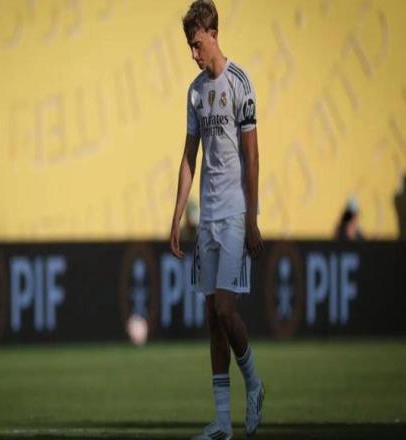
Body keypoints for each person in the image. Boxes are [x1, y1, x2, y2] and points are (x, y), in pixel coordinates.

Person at [169, 1, 265, 439]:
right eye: (190, 46)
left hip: (234, 215)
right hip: (206, 219)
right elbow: (190, 157)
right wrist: (177, 217)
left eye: (196, 44)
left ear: (212, 33)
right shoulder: (194, 93)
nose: (193, 53)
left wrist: (253, 218)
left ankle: (255, 384)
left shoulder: (240, 82)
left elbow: (252, 156)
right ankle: (223, 422)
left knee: (226, 309)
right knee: (212, 317)